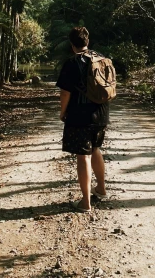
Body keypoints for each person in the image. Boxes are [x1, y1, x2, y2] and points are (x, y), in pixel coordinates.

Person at [56, 26, 109, 213]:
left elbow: (65, 92)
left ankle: (85, 203)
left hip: (80, 115)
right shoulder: (101, 59)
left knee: (83, 156)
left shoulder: (72, 63)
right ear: (87, 41)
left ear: (72, 45)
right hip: (101, 113)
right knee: (96, 149)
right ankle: (101, 189)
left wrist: (63, 112)